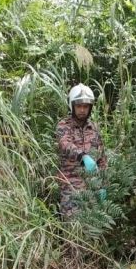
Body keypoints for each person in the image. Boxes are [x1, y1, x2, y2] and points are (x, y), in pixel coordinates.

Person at [55, 83, 106, 218]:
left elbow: (101, 157)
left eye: (85, 106)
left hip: (92, 183)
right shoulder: (64, 125)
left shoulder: (94, 128)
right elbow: (64, 143)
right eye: (78, 106)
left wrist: (103, 184)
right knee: (74, 223)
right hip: (70, 182)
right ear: (72, 106)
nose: (82, 110)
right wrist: (82, 156)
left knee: (93, 222)